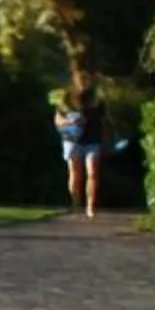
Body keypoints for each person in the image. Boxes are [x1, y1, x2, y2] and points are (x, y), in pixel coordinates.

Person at [54, 83, 105, 217]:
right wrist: (72, 122)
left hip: (92, 140)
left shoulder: (97, 102)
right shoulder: (66, 102)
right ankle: (75, 205)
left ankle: (90, 207)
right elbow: (58, 121)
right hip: (73, 140)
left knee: (92, 173)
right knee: (75, 174)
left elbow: (103, 120)